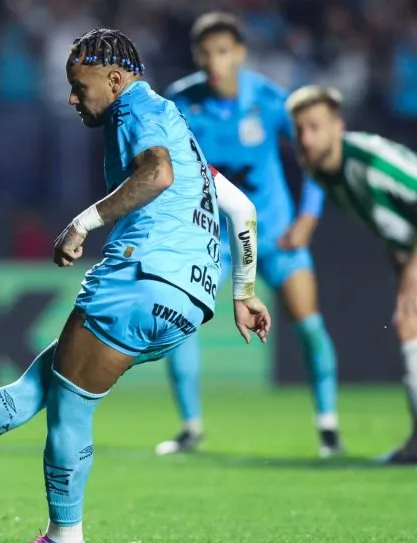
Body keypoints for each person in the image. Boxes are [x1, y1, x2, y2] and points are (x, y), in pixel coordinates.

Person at [0, 28, 271, 543]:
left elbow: (156, 173)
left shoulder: (136, 111)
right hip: (190, 302)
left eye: (80, 87)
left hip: (138, 279)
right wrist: (243, 291)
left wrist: (83, 222)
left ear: (116, 79)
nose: (72, 99)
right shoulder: (182, 134)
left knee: (69, 411)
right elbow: (242, 210)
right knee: (43, 383)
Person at [160, 12, 340, 457]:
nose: (213, 61)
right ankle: (190, 427)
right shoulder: (181, 102)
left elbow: (311, 153)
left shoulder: (269, 100)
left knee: (310, 325)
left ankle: (329, 428)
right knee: (180, 325)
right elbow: (164, 169)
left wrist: (308, 217)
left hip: (275, 235)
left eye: (222, 51)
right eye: (205, 52)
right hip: (213, 241)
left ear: (239, 53)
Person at [287, 84, 417, 464]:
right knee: (410, 323)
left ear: (338, 127)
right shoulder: (326, 175)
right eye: (299, 130)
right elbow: (394, 228)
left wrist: (411, 275)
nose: (306, 138)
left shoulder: (372, 161)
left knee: (409, 322)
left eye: (315, 127)